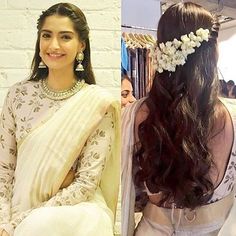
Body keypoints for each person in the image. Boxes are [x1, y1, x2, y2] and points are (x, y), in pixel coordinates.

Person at [0, 3, 120, 236]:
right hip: (12, 215)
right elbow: (4, 170)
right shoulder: (18, 95)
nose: (53, 45)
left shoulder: (98, 104)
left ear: (81, 45)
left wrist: (19, 226)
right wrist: (4, 222)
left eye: (65, 37)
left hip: (64, 220)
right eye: (47, 35)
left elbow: (85, 183)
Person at [122, 2, 236, 236]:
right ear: (212, 52)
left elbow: (129, 194)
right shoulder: (231, 117)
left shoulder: (135, 114)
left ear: (160, 49)